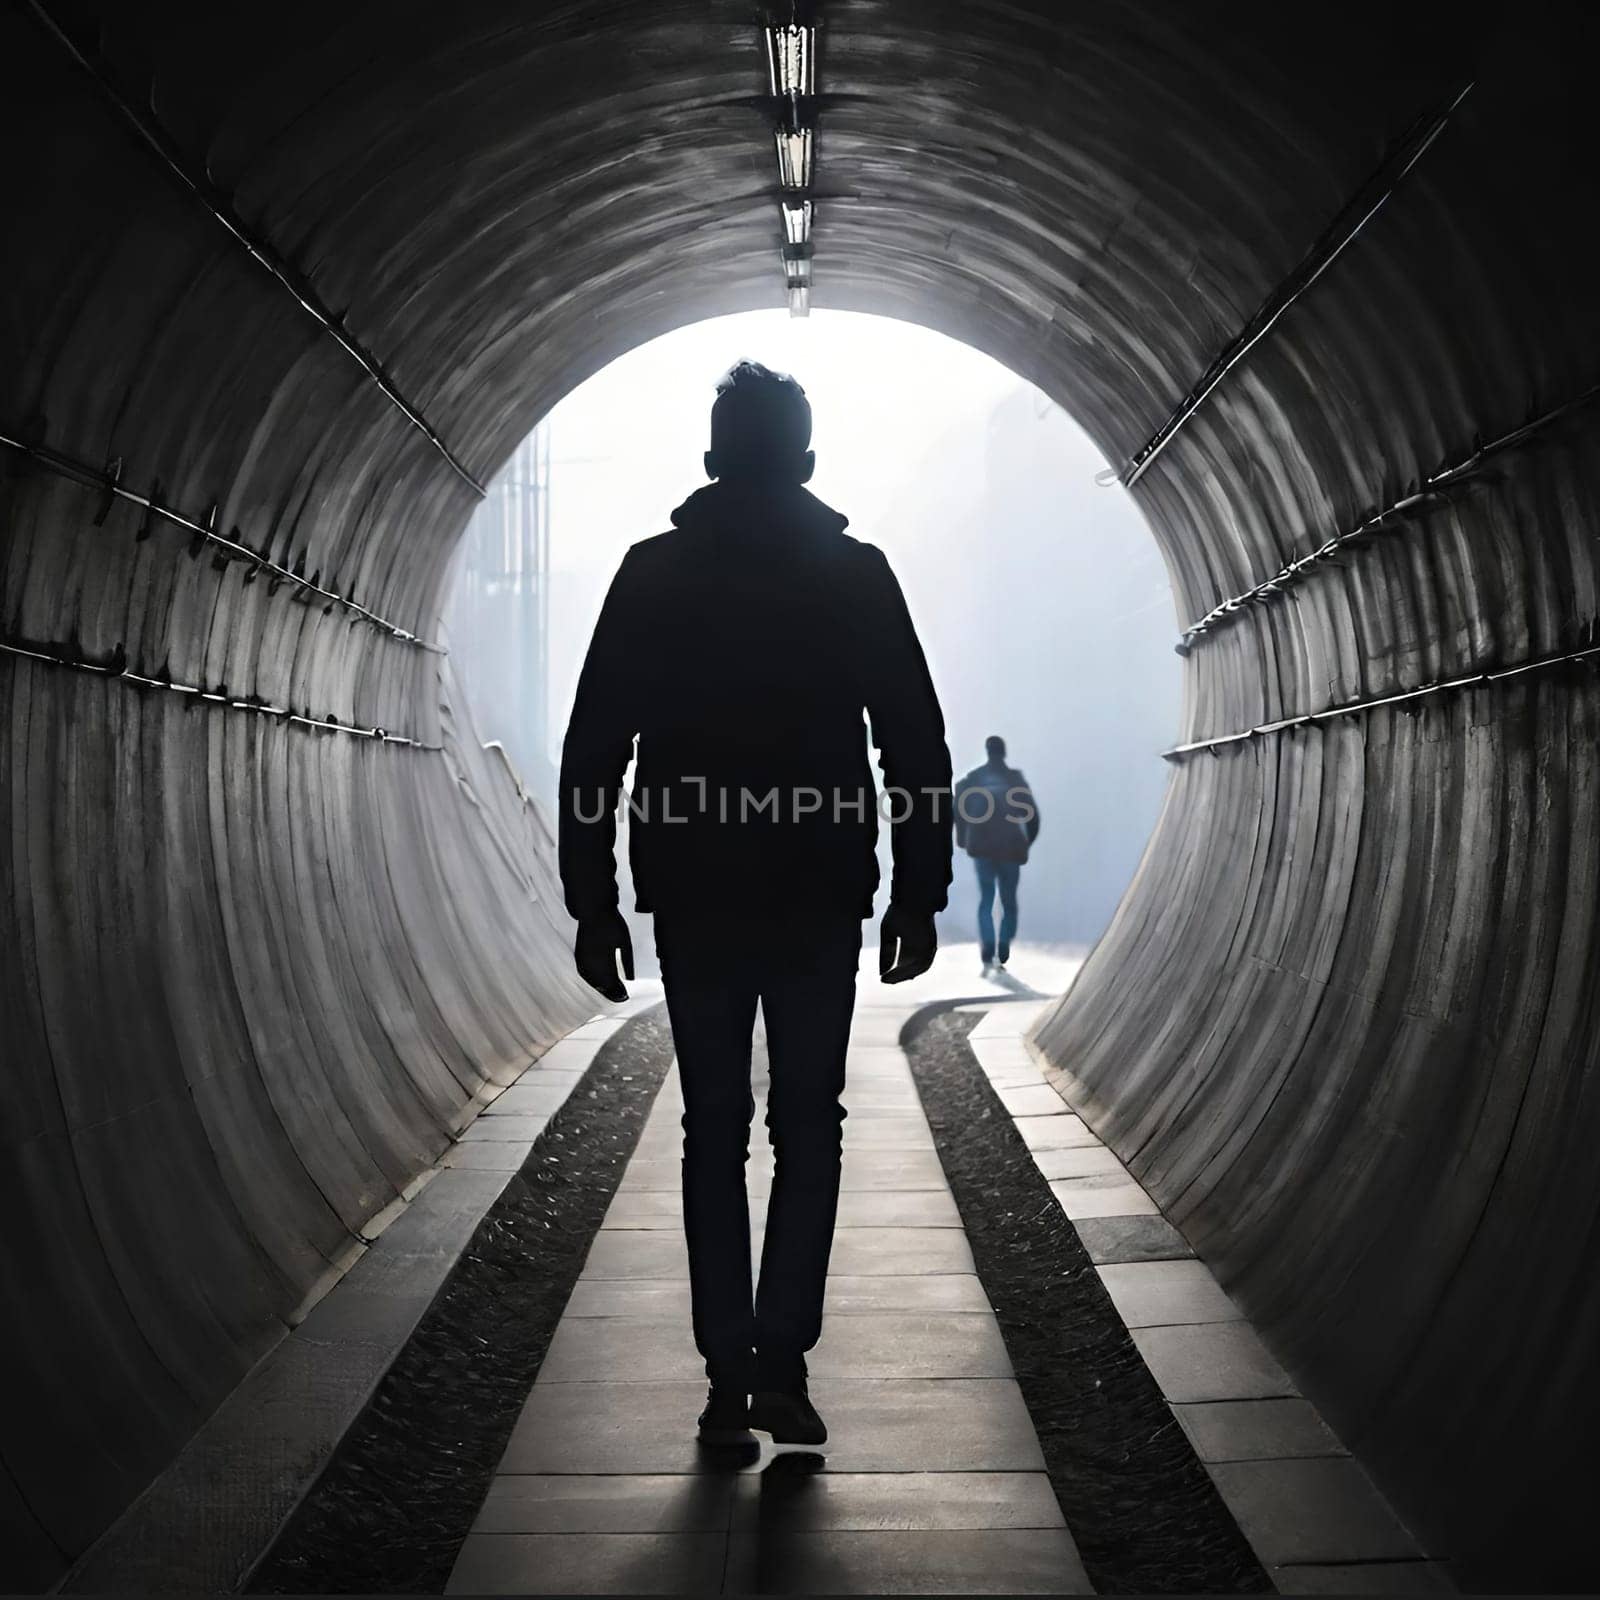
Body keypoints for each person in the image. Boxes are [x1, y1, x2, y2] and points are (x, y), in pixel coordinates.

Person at [558, 360, 953, 1448]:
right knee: (809, 1128)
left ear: (712, 459)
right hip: (820, 887)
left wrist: (593, 902)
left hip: (694, 889)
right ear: (809, 460)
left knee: (712, 1130)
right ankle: (783, 1363)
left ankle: (722, 1378)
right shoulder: (855, 574)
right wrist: (920, 889)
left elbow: (596, 745)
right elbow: (912, 741)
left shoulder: (651, 576)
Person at [954, 735, 1040, 971]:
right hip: (1010, 849)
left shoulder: (973, 780)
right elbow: (1032, 816)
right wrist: (1026, 842)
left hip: (982, 849)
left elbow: (958, 808)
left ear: (987, 752)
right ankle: (1003, 947)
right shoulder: (1014, 779)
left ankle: (987, 949)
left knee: (986, 899)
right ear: (1003, 752)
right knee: (1009, 902)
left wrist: (963, 837)